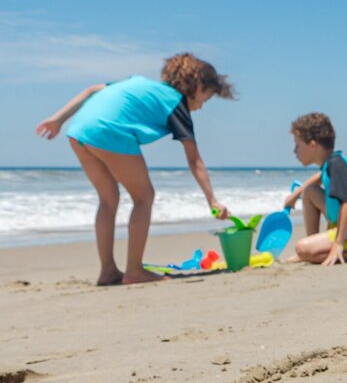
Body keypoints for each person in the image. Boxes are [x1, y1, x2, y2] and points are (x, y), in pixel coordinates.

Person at [34, 54, 233, 285]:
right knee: (144, 196)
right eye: (205, 100)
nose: (200, 107)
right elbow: (194, 160)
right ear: (198, 87)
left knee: (108, 200)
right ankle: (134, 271)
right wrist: (212, 200)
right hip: (110, 131)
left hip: (79, 129)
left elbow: (91, 90)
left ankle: (108, 271)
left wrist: (57, 119)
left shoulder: (140, 83)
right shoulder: (176, 103)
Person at [284, 112, 347, 265]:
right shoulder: (331, 163)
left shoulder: (337, 165)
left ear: (312, 144)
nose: (294, 151)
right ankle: (313, 244)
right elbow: (319, 176)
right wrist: (297, 193)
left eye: (298, 145)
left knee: (302, 248)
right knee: (310, 191)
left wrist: (338, 244)